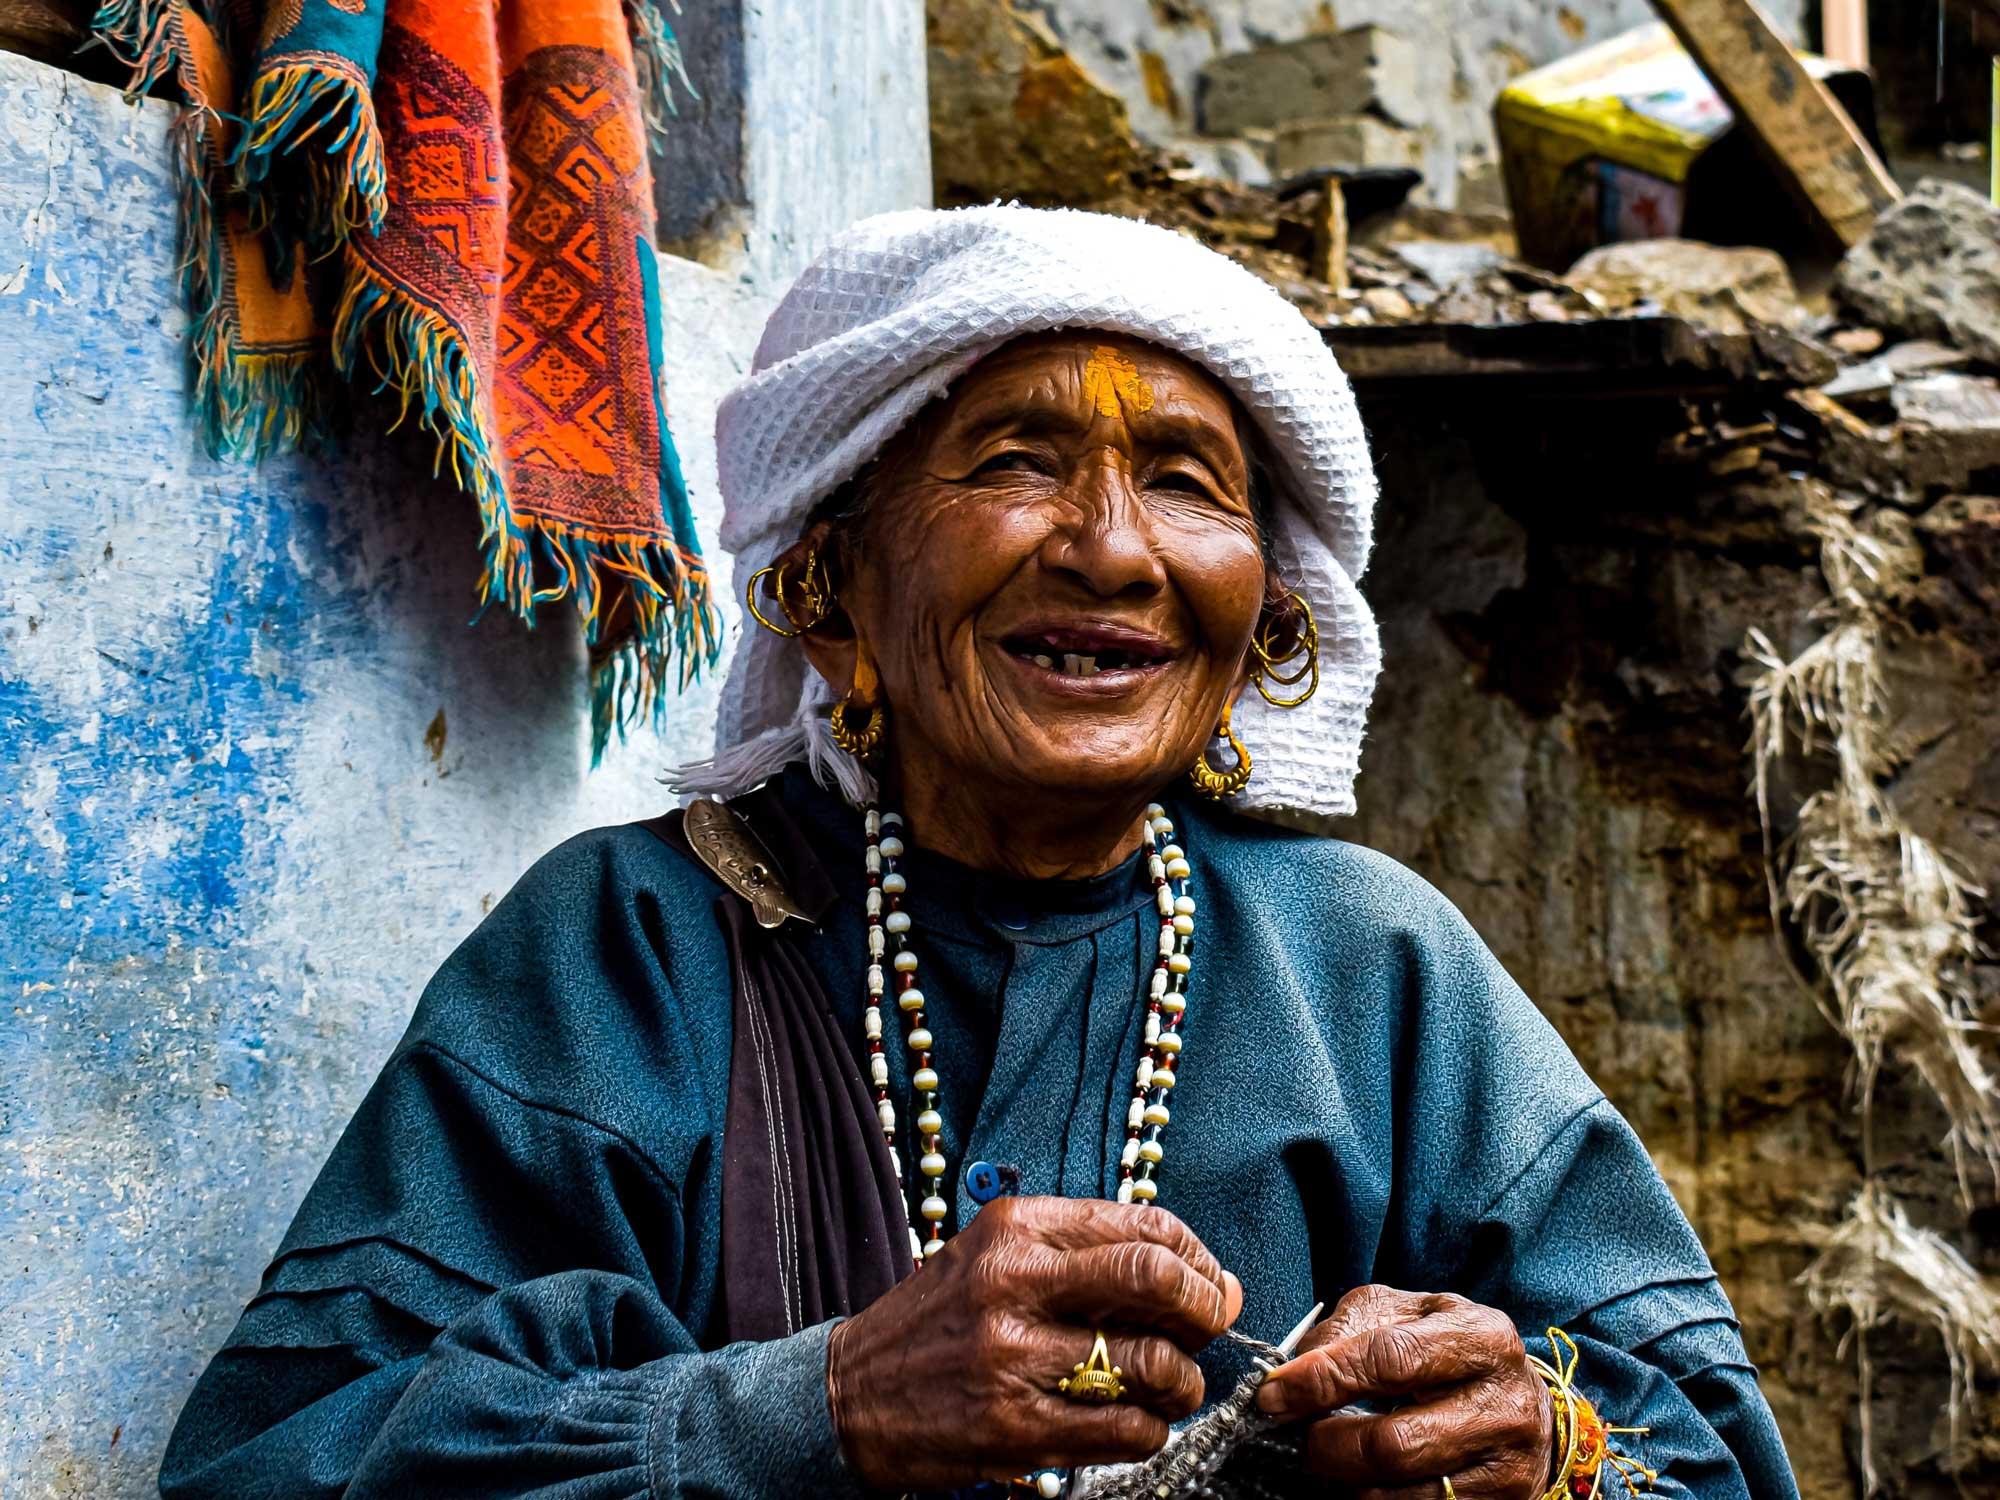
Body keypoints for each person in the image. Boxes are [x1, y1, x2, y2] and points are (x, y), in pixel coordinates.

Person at [160, 206, 1798, 1500]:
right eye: (1016, 460)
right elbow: (275, 1460)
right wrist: (818, 1408)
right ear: (832, 590)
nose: (1108, 546)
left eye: (1184, 481)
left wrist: (1543, 1446)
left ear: (1263, 627)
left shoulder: (1376, 972)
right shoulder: (628, 955)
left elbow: (1716, 1456)